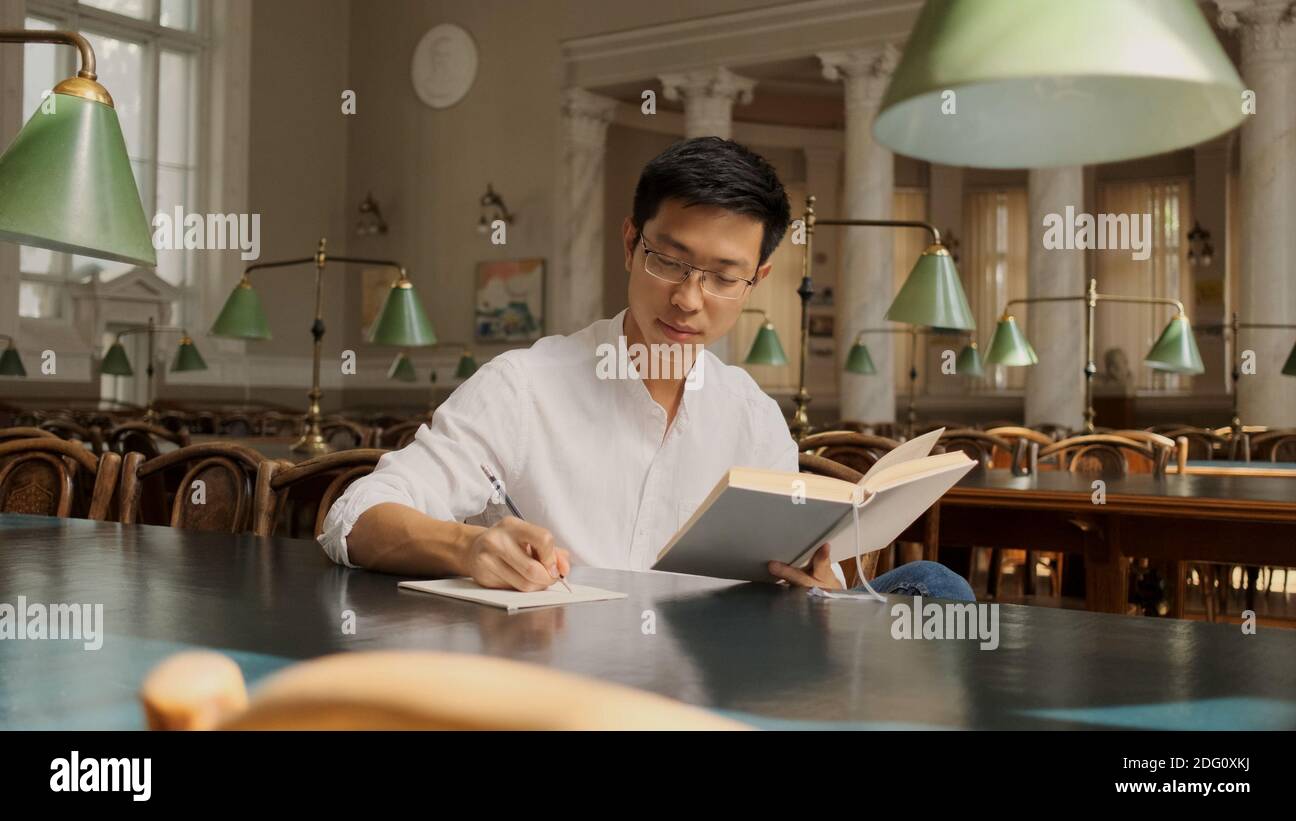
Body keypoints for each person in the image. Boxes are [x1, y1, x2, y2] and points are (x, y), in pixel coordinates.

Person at [319, 136, 973, 602]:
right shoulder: (524, 386)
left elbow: (785, 585)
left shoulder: (751, 415)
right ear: (631, 243)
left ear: (757, 280)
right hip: (568, 674)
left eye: (722, 277)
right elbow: (354, 516)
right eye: (670, 261)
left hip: (710, 679)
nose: (689, 298)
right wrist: (466, 547)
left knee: (936, 587)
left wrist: (816, 583)